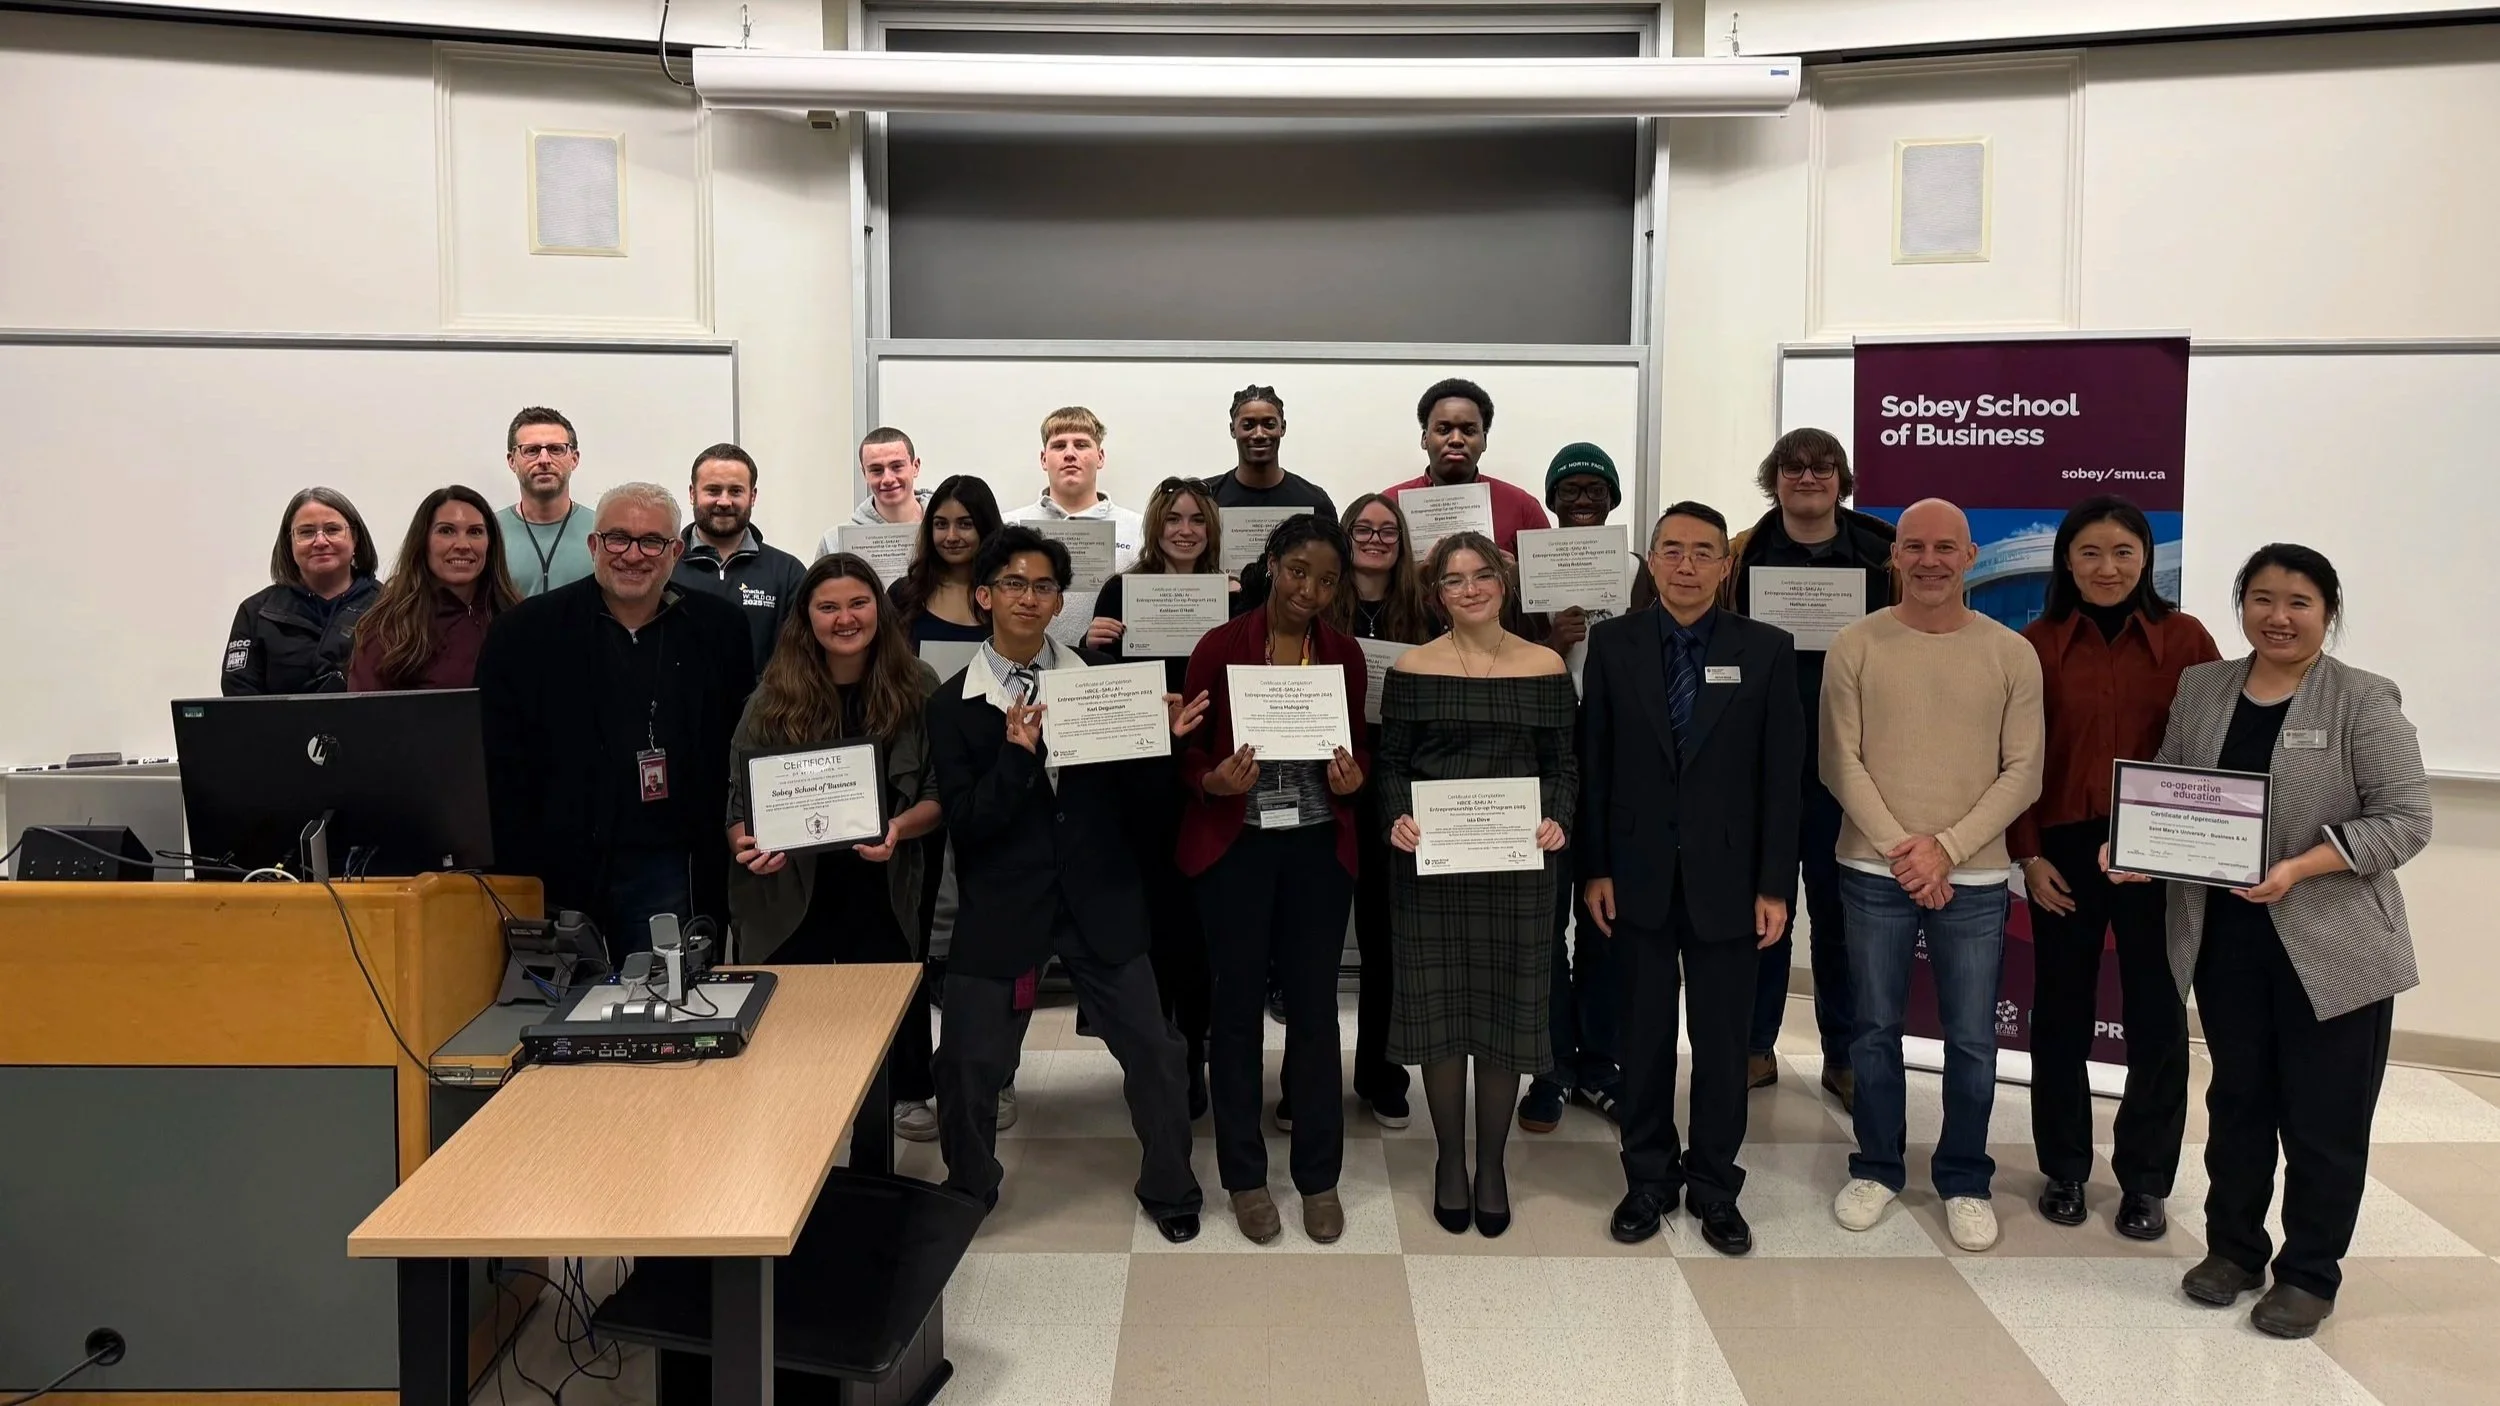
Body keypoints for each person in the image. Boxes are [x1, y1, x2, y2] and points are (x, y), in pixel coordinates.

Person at [2113, 544, 2430, 1339]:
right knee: (2239, 1103)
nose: (2278, 617)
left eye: (2298, 602)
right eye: (2261, 599)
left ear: (2328, 611)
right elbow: (2170, 780)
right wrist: (2133, 843)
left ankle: (2309, 1273)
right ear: (2242, 605)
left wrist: (2299, 867)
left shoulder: (2363, 699)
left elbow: (2404, 821)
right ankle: (2234, 1251)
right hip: (2226, 940)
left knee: (2325, 1118)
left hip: (2334, 946)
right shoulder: (2205, 685)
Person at [924, 525, 1209, 1241]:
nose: (1029, 597)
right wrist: (1017, 758)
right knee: (965, 1061)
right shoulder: (954, 703)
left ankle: (1171, 1187)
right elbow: (969, 823)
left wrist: (1160, 745)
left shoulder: (1101, 688)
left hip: (1098, 897)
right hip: (1004, 904)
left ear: (1059, 604)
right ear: (985, 596)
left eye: (1044, 586)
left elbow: (1139, 811)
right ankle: (969, 1188)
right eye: (1014, 584)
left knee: (1156, 1050)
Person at [1578, 501, 1803, 1255]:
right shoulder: (1613, 646)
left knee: (1720, 1043)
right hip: (1634, 876)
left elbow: (1783, 780)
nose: (1686, 565)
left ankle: (1712, 1184)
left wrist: (1776, 885)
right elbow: (1595, 764)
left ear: (1725, 565)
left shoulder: (1768, 649)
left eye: (1703, 551)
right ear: (1649, 559)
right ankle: (1646, 1179)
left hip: (1732, 883)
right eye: (1671, 550)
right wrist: (1596, 867)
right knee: (1641, 1040)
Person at [1821, 498, 2043, 1253]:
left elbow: (2024, 773)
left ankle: (1965, 1178)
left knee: (1973, 1039)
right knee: (1875, 1031)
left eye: (1945, 547)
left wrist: (1944, 849)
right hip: (1871, 868)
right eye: (1913, 546)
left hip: (1973, 878)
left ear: (1972, 557)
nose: (1929, 561)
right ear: (1895, 557)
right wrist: (1903, 850)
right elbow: (1838, 760)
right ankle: (1878, 1166)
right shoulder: (1856, 645)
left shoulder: (2012, 654)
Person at [2009, 496, 2219, 1241]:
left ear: (2146, 559)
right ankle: (2064, 1168)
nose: (2107, 568)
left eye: (2124, 552)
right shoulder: (2033, 644)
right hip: (2062, 849)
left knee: (2158, 1018)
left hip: (2159, 853)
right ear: (2067, 560)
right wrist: (2027, 856)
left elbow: (2214, 751)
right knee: (2060, 1015)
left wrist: (2194, 846)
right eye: (2091, 553)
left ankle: (2147, 1180)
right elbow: (2017, 757)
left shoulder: (2186, 639)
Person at [1378, 531, 1578, 1237]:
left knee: (1503, 1013)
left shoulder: (1546, 665)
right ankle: (1448, 1161)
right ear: (1436, 597)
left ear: (1504, 581)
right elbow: (1392, 764)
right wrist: (1397, 816)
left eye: (1481, 575)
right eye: (1453, 581)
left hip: (1519, 867)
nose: (1470, 589)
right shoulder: (1411, 667)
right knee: (1441, 1016)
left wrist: (1558, 817)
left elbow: (1563, 765)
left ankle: (1491, 1162)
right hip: (1432, 869)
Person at [1177, 514, 1368, 1246]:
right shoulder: (1219, 646)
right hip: (1238, 851)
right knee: (1234, 1015)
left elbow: (1355, 756)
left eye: (1325, 579)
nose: (1310, 590)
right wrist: (1214, 782)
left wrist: (1351, 782)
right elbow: (1185, 757)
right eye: (1298, 572)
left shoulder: (1344, 654)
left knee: (1317, 1014)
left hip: (1319, 848)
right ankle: (1246, 1178)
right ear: (1272, 563)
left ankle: (1319, 1177)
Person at [475, 483, 757, 956]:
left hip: (671, 861)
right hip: (556, 866)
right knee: (559, 1012)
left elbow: (739, 745)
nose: (633, 555)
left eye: (652, 542)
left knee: (664, 1008)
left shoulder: (720, 630)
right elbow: (496, 759)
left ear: (676, 552)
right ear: (593, 545)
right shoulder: (523, 634)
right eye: (617, 538)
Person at [726, 553, 943, 1152]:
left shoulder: (916, 687)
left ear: (879, 607)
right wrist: (746, 843)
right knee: (798, 1012)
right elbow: (737, 803)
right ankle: (802, 1103)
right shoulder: (774, 693)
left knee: (886, 995)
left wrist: (898, 828)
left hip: (883, 876)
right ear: (807, 617)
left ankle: (904, 1093)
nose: (845, 618)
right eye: (828, 607)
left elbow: (936, 795)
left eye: (858, 603)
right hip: (794, 883)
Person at [1722, 427, 1898, 1111]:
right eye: (1792, 467)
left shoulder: (1887, 554)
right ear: (1775, 478)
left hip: (1854, 764)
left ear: (1842, 477)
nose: (1807, 477)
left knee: (1842, 912)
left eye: (1822, 466)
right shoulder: (1742, 554)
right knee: (1762, 909)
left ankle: (1845, 1056)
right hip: (1759, 762)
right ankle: (1754, 1046)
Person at [1093, 477, 1240, 1118]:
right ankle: (1158, 1054)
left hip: (1213, 775)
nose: (1185, 530)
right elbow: (1101, 691)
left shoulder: (1237, 595)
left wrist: (1243, 611)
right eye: (1174, 519)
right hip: (1145, 779)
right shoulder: (1120, 592)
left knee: (1201, 928)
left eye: (1197, 521)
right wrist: (1095, 648)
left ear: (1211, 530)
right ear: (1155, 527)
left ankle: (1196, 1055)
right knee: (1154, 924)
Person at [1516, 441, 1637, 1136]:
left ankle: (1601, 1063)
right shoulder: (1523, 573)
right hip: (1544, 761)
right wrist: (1554, 643)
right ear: (1552, 500)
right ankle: (1550, 1065)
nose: (1582, 497)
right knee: (1542, 925)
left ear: (1613, 497)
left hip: (1620, 769)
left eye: (1595, 487)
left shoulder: (1641, 573)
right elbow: (1501, 666)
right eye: (1569, 488)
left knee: (1606, 920)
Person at [886, 474, 1006, 1137]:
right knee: (913, 930)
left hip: (998, 780)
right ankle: (910, 1084)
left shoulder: (1005, 596)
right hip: (923, 781)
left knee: (990, 938)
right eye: (942, 523)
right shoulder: (903, 599)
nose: (954, 535)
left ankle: (991, 1074)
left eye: (966, 523)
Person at [1326, 494, 1440, 1132]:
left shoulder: (1423, 610)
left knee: (1387, 944)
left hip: (1397, 785)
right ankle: (1306, 1079)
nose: (1374, 539)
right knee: (1313, 946)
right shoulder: (1318, 603)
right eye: (1363, 529)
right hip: (1325, 780)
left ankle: (1384, 1075)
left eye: (1387, 531)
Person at [348, 485, 520, 692]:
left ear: (490, 544)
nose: (463, 545)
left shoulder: (517, 617)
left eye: (475, 532)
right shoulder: (386, 629)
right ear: (423, 541)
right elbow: (364, 718)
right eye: (446, 531)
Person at [222, 486, 381, 695]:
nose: (321, 541)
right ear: (289, 543)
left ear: (355, 538)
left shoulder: (391, 606)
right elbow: (239, 697)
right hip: (278, 728)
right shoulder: (256, 613)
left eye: (333, 530)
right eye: (306, 532)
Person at [671, 442, 807, 670]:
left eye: (735, 491)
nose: (724, 502)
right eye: (713, 490)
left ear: (752, 496)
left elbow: (800, 659)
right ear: (692, 494)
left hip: (765, 705)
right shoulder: (663, 566)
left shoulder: (788, 573)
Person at [1381, 379, 1551, 555]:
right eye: (1443, 429)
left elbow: (1546, 575)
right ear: (1424, 438)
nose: (1456, 440)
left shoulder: (1522, 507)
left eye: (1469, 431)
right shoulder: (1390, 504)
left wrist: (1515, 573)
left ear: (1484, 440)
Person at [1006, 405, 1146, 570]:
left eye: (1081, 445)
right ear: (1043, 459)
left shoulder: (1139, 531)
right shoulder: (1008, 526)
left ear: (1100, 457)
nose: (1070, 454)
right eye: (1059, 446)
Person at [497, 406, 599, 597]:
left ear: (574, 459)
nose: (544, 459)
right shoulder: (489, 532)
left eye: (555, 449)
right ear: (512, 461)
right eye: (532, 450)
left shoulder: (601, 531)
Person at [1207, 385, 1335, 519]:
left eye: (1269, 425)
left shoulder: (1315, 502)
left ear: (1283, 428)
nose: (1259, 434)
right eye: (1248, 426)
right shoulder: (1207, 498)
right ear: (1233, 430)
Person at [816, 426, 933, 558]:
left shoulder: (948, 529)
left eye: (897, 467)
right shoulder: (834, 543)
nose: (888, 479)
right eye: (876, 470)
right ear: (864, 473)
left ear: (915, 466)